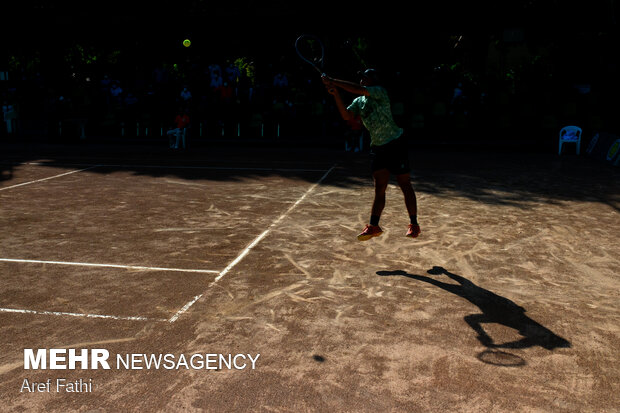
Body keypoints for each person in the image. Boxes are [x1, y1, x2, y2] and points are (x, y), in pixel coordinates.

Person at [322, 69, 420, 241]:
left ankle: (414, 224)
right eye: (360, 77)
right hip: (378, 147)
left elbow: (357, 89)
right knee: (379, 188)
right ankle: (374, 226)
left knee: (404, 184)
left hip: (395, 142)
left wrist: (333, 80)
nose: (361, 79)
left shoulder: (379, 92)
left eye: (364, 77)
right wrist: (335, 93)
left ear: (373, 79)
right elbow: (347, 116)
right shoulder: (359, 101)